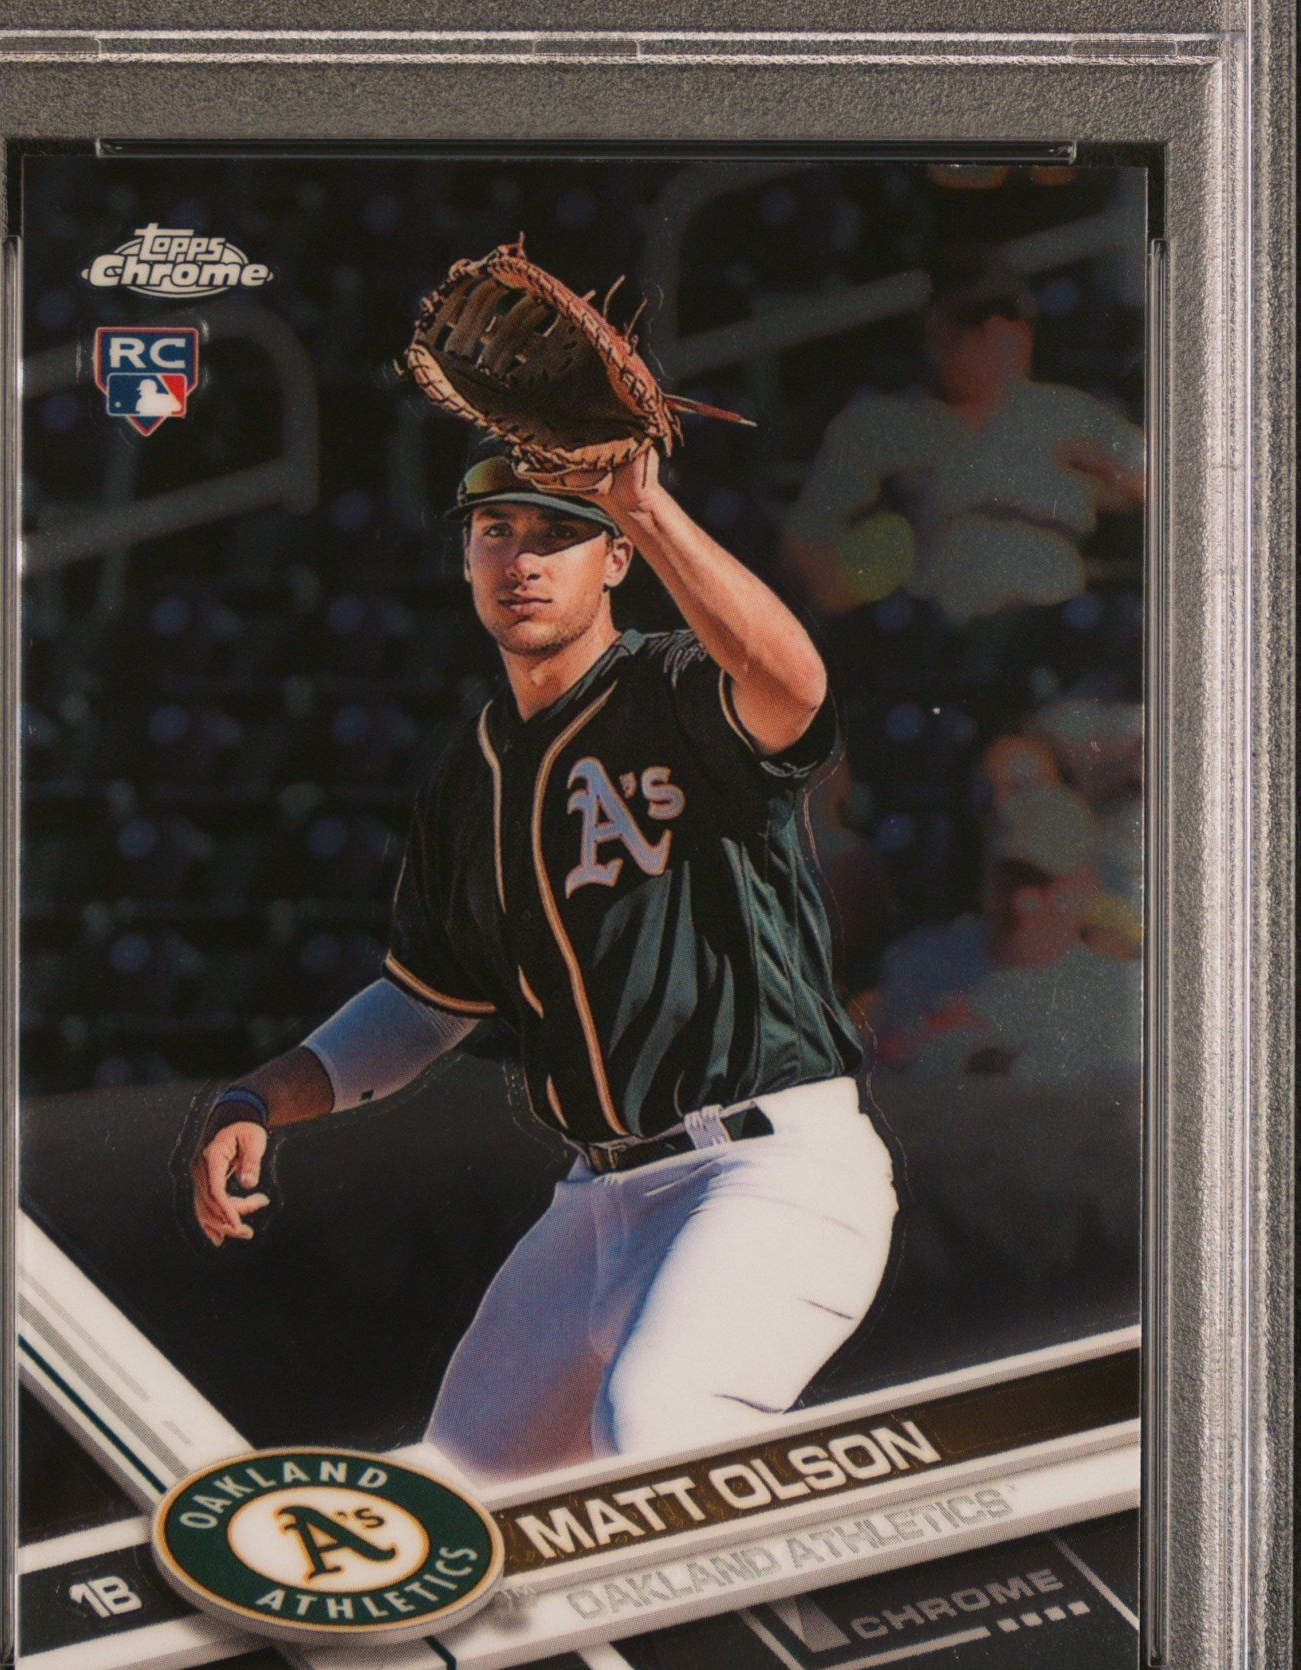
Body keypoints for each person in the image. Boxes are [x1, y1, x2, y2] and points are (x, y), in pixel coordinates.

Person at [191, 446, 898, 1486]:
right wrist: (261, 1096)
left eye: (558, 534)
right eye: (497, 533)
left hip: (767, 1168)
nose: (521, 559)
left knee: (659, 1427)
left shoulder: (674, 683)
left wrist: (646, 504)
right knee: (460, 1500)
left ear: (614, 560)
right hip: (596, 1202)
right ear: (466, 560)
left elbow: (793, 687)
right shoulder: (467, 774)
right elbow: (426, 1003)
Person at [780, 254, 1145, 626]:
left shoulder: (1066, 413)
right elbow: (804, 541)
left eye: (1012, 316)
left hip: (1052, 627)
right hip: (934, 630)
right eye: (974, 317)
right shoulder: (882, 424)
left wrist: (1114, 473)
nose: (994, 331)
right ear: (933, 327)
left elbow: (1163, 481)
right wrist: (851, 583)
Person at [869, 784, 1141, 1087]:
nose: (1022, 902)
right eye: (1009, 879)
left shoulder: (1122, 998)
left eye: (1043, 883)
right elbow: (880, 1085)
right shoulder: (920, 965)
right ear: (984, 877)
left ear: (1088, 885)